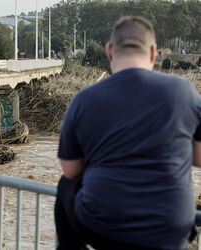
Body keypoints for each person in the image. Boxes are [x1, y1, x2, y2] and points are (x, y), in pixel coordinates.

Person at [55, 16, 201, 250]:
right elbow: (199, 158)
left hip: (104, 228)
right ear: (153, 52)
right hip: (170, 229)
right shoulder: (184, 91)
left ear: (109, 51)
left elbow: (70, 169)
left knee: (66, 184)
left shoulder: (84, 99)